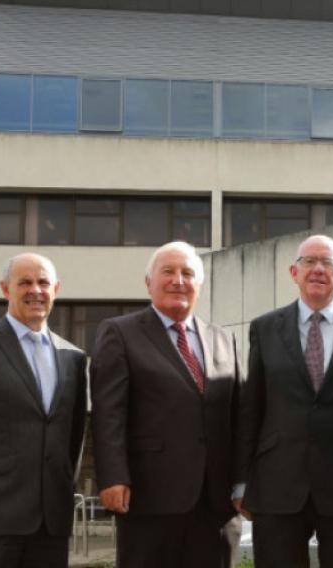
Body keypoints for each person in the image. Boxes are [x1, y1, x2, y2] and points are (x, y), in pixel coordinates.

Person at [234, 235, 333, 568]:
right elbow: (251, 409)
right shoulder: (265, 328)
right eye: (309, 262)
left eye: (328, 263)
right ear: (294, 272)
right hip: (277, 484)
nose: (318, 269)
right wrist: (242, 480)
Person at [90, 241, 242, 568]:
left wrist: (243, 482)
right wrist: (113, 476)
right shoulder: (120, 332)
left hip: (215, 502)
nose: (179, 280)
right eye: (168, 271)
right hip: (149, 497)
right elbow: (108, 413)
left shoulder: (223, 338)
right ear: (149, 282)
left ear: (199, 284)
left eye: (188, 273)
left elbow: (239, 416)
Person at [0, 253, 87, 568]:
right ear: (5, 289)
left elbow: (75, 437)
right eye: (25, 282)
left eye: (43, 282)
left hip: (51, 522)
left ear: (55, 288)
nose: (35, 290)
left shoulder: (73, 357)